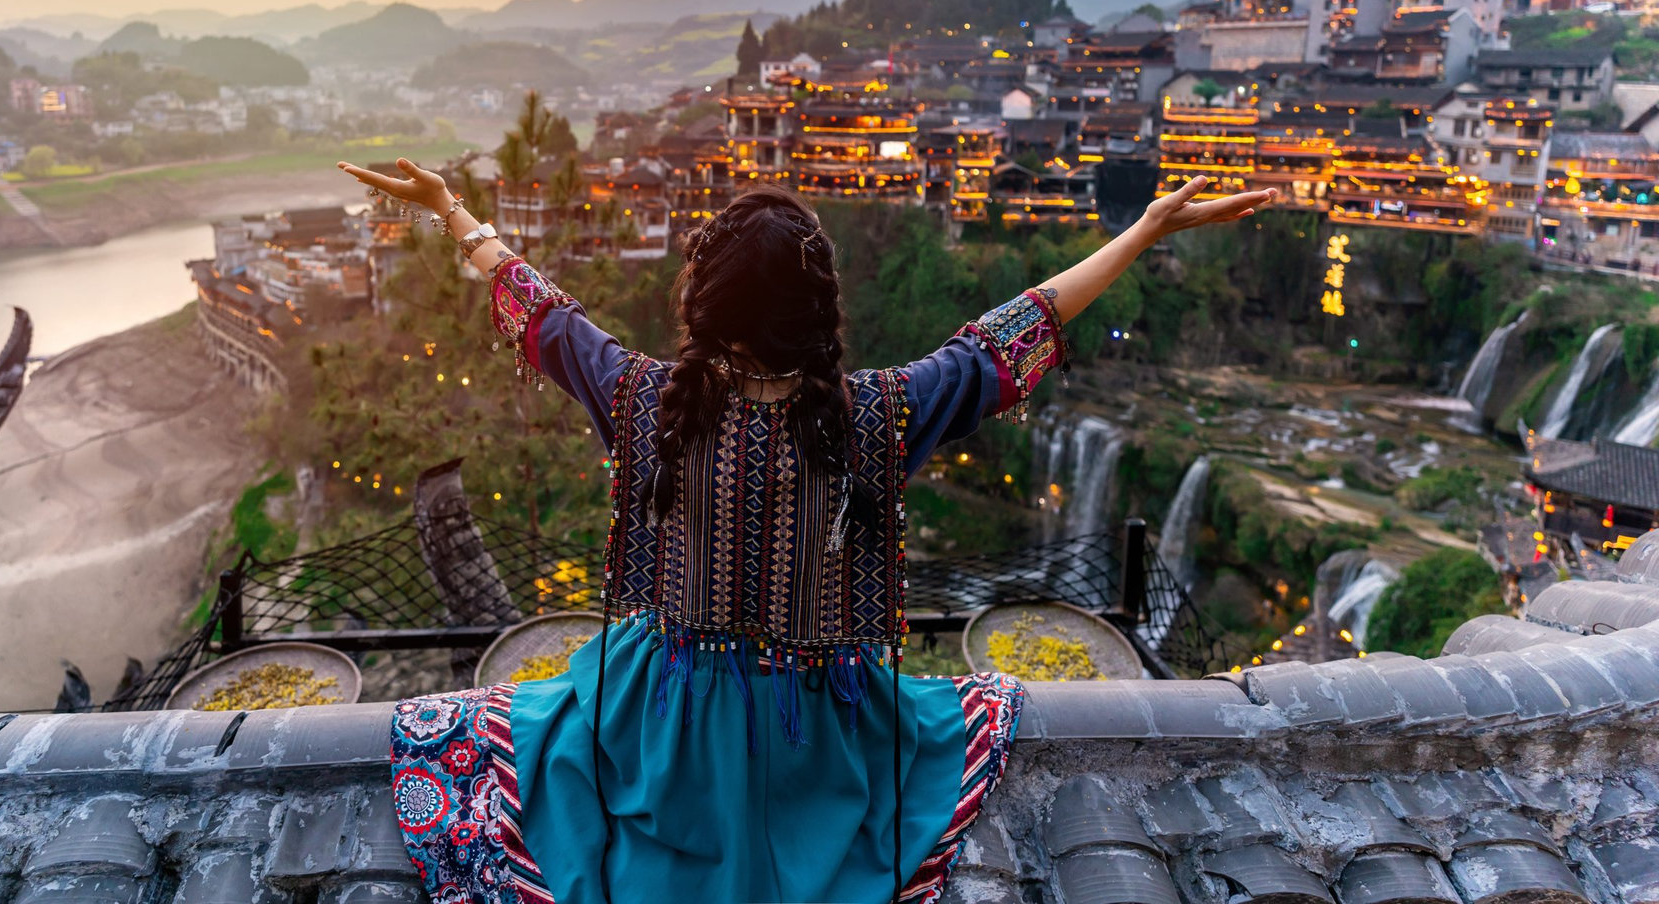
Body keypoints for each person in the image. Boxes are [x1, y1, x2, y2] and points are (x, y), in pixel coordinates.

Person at [336, 159, 1272, 904]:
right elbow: (1016, 329)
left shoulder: (646, 400)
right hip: (819, 727)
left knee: (474, 740)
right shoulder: (876, 417)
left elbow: (541, 311)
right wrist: (1143, 232)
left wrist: (453, 209)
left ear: (706, 303)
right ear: (817, 310)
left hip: (660, 726)